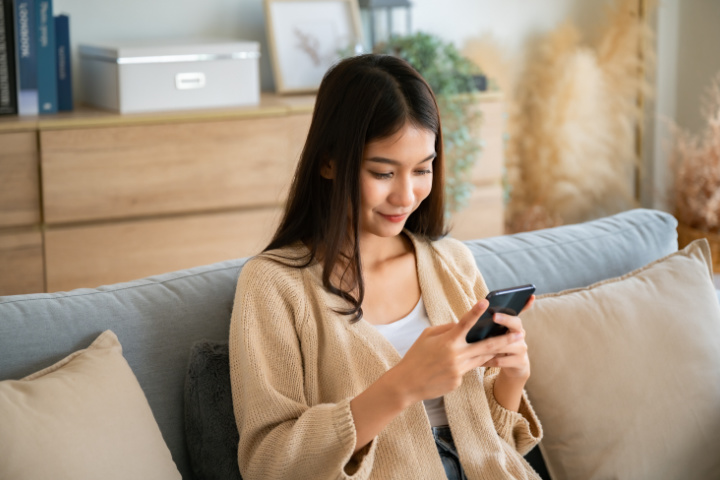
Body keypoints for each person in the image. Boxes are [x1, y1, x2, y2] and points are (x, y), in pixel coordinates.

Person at [228, 53, 543, 480]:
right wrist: (401, 386)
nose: (406, 196)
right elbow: (268, 463)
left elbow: (496, 447)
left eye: (422, 169)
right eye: (382, 172)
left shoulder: (453, 263)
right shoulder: (273, 286)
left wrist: (511, 380)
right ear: (328, 163)